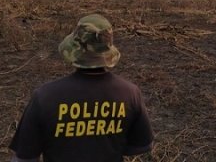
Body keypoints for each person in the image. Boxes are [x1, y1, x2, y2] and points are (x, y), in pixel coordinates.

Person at [9, 14, 154, 162]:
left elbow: (25, 156)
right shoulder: (130, 93)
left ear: (73, 51)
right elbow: (140, 145)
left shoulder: (44, 96)